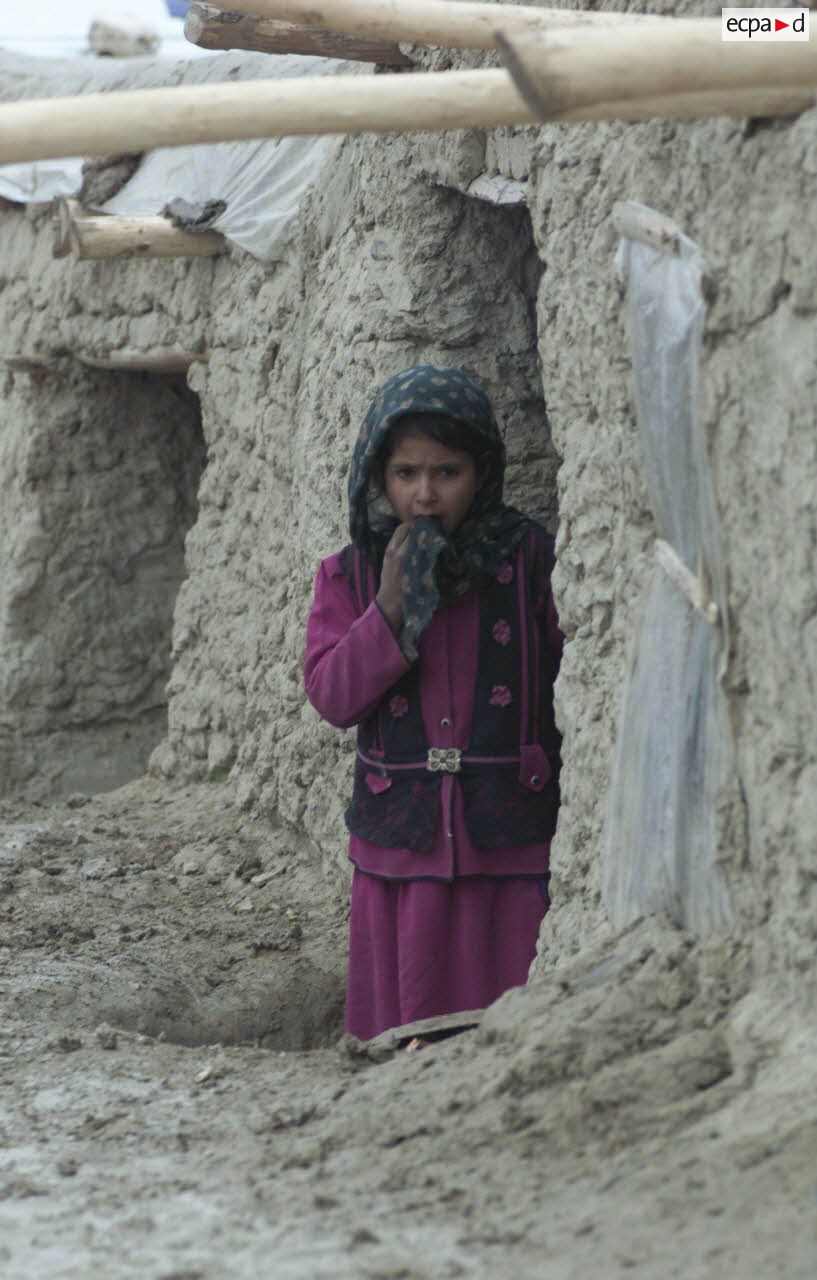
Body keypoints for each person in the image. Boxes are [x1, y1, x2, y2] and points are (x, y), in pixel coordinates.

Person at [304, 365, 562, 1042]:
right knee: (406, 1030)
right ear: (377, 476)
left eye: (446, 472)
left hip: (505, 837)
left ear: (481, 472)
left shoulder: (529, 560)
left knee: (504, 1026)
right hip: (403, 843)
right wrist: (390, 603)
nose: (423, 494)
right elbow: (332, 696)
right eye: (405, 473)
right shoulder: (350, 573)